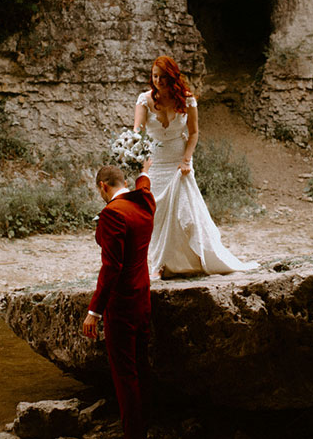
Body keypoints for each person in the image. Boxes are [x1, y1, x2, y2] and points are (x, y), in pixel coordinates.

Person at [134, 56, 257, 277]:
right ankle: (161, 264)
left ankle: (189, 260)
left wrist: (186, 160)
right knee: (156, 215)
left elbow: (194, 133)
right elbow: (138, 132)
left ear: (172, 77)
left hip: (178, 164)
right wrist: (137, 156)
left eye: (163, 77)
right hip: (154, 163)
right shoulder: (144, 100)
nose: (158, 81)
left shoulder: (187, 100)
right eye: (154, 76)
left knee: (185, 213)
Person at [82, 159, 155, 439]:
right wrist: (145, 172)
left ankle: (133, 434)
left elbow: (112, 267)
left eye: (100, 191)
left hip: (122, 304)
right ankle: (145, 426)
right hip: (143, 298)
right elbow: (145, 185)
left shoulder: (113, 214)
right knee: (142, 366)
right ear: (124, 183)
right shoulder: (145, 202)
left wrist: (94, 312)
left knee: (125, 375)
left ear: (103, 186)